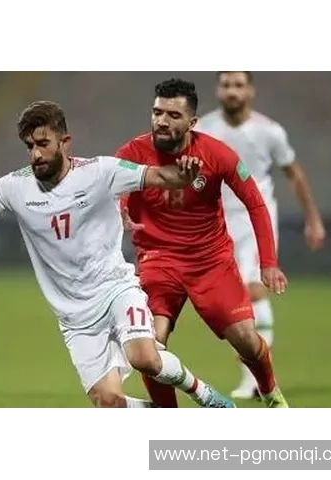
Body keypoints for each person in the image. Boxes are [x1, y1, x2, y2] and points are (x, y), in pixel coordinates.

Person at [0, 100, 235, 408]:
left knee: (145, 358)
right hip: (75, 317)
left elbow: (162, 177)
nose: (35, 154)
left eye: (43, 144)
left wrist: (186, 175)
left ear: (65, 142)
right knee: (108, 402)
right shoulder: (13, 187)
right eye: (29, 146)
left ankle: (203, 394)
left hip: (115, 290)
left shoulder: (101, 171)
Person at [117, 78, 289, 408]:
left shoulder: (216, 154)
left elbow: (255, 203)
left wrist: (268, 263)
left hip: (210, 260)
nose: (162, 121)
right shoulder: (132, 154)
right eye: (157, 112)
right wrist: (120, 209)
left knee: (247, 341)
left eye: (173, 115)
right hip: (158, 259)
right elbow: (113, 192)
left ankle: (270, 393)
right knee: (149, 348)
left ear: (192, 122)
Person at [196, 72, 326, 399]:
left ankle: (255, 381)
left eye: (239, 85)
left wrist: (313, 219)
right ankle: (254, 376)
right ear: (218, 90)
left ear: (250, 91)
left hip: (255, 218)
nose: (232, 91)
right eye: (226, 84)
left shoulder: (270, 131)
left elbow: (294, 174)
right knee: (229, 302)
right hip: (216, 222)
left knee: (254, 290)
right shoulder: (203, 129)